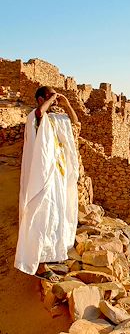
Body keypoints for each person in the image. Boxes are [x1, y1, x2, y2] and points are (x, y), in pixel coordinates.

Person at [14, 86, 80, 281]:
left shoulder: (57, 120)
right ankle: (38, 264)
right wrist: (50, 101)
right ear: (41, 98)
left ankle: (50, 257)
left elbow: (75, 123)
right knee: (39, 218)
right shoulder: (34, 118)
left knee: (55, 218)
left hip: (56, 178)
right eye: (50, 96)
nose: (55, 100)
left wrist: (67, 104)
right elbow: (39, 114)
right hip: (41, 178)